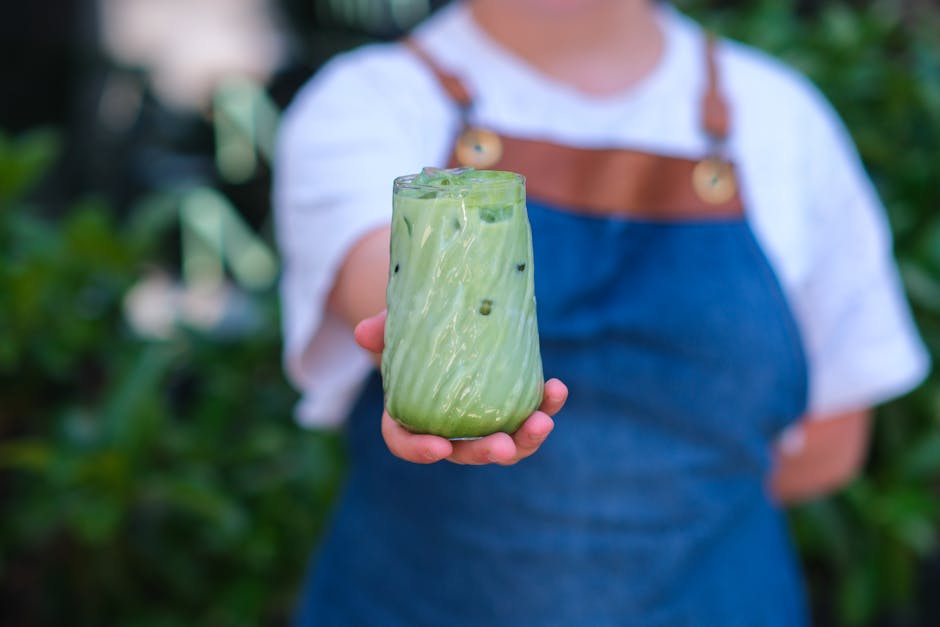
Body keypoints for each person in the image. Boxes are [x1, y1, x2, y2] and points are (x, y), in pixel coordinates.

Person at [273, 0, 930, 624]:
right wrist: (426, 352)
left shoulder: (783, 119)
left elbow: (832, 441)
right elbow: (380, 275)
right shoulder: (366, 104)